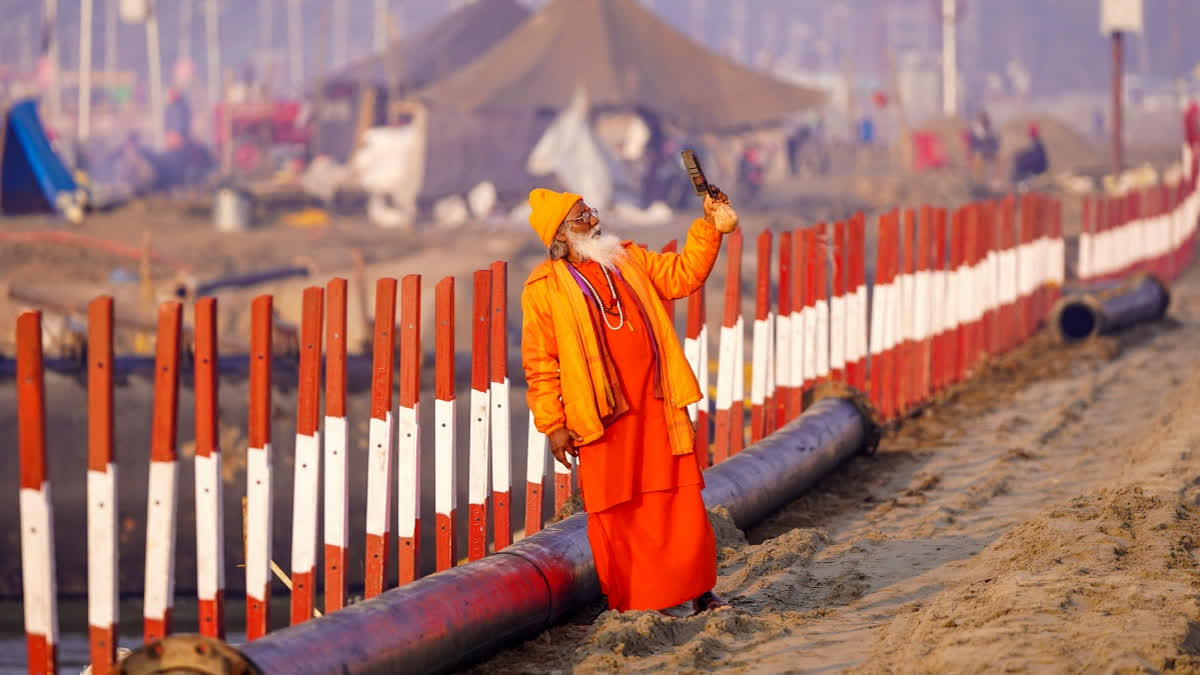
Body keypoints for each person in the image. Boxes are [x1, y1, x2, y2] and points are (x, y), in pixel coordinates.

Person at [521, 186, 735, 615]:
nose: (594, 220)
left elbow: (684, 275)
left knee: (677, 500)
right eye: (582, 216)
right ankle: (636, 602)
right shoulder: (543, 289)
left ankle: (699, 593)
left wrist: (710, 226)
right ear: (562, 234)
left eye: (591, 211)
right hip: (601, 418)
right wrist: (553, 424)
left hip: (656, 403)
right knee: (618, 512)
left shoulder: (627, 258)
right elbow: (540, 365)